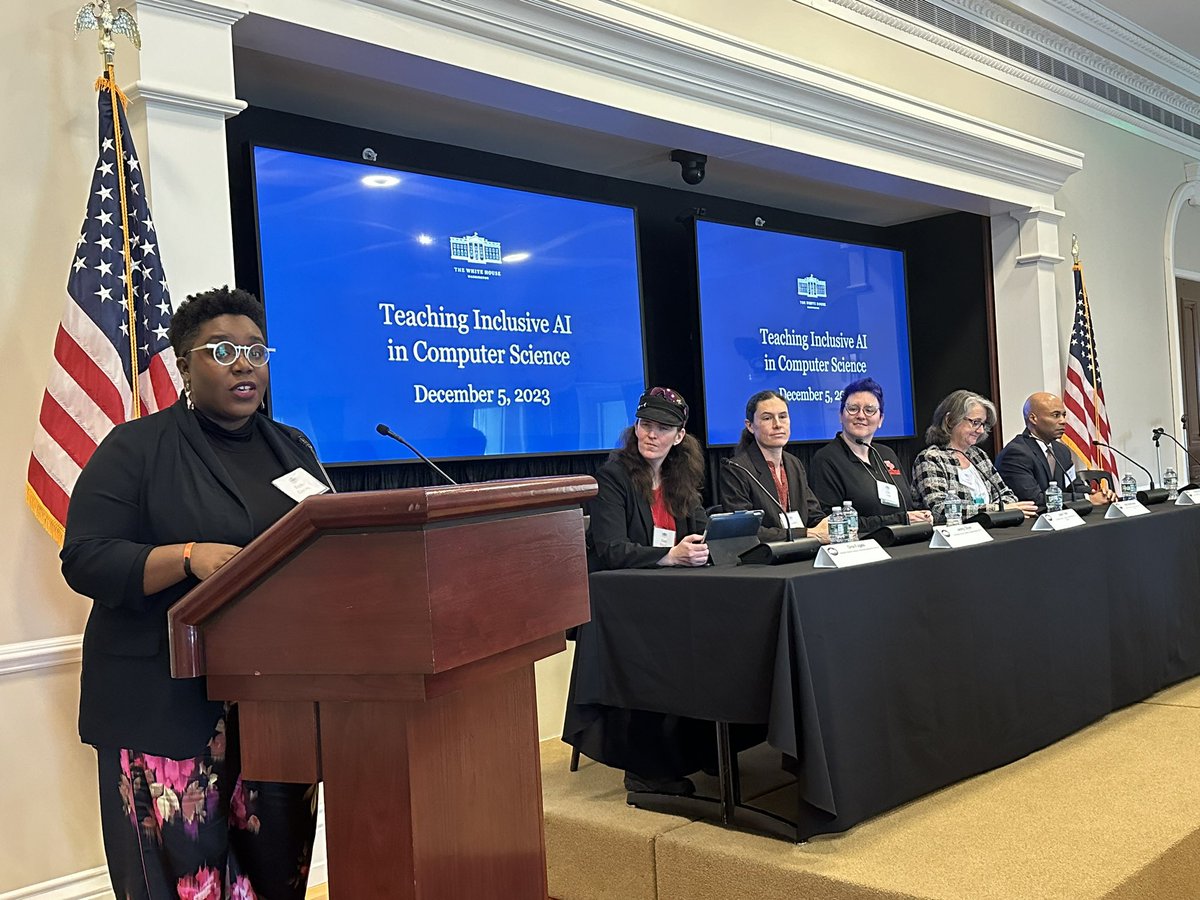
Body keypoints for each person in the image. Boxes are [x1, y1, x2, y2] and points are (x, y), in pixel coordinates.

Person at [61, 287, 327, 900]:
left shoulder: (294, 448)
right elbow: (86, 558)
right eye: (224, 351)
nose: (244, 364)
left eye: (257, 351)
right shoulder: (135, 448)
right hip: (164, 706)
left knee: (275, 876)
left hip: (274, 706)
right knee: (180, 886)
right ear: (184, 364)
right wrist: (187, 557)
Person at [586, 386, 709, 570]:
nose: (652, 435)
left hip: (673, 581)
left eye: (663, 428)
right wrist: (671, 555)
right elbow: (613, 550)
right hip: (624, 585)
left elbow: (703, 530)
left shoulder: (680, 477)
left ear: (679, 436)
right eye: (646, 425)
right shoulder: (612, 477)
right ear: (636, 428)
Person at [809, 377, 932, 532]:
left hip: (902, 542)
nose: (861, 415)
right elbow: (831, 524)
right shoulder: (826, 459)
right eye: (853, 408)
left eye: (869, 410)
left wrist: (919, 517)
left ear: (880, 419)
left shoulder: (887, 454)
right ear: (841, 415)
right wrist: (900, 520)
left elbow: (907, 505)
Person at [718, 389, 831, 543]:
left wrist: (829, 525)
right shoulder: (736, 469)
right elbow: (746, 530)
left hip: (800, 552)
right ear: (750, 426)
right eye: (767, 418)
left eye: (783, 417)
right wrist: (806, 534)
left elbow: (813, 515)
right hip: (762, 559)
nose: (777, 425)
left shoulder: (794, 463)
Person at [912, 389, 1038, 523]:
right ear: (950, 420)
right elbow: (940, 510)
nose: (981, 430)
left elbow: (1007, 495)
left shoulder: (978, 455)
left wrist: (1002, 508)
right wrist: (997, 509)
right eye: (975, 422)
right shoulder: (930, 458)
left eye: (983, 424)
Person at [995, 391, 1118, 507]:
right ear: (1033, 419)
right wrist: (1087, 499)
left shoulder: (1061, 450)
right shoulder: (1016, 453)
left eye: (1064, 415)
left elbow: (1073, 484)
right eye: (1056, 415)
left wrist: (1096, 494)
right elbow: (1033, 499)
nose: (1063, 421)